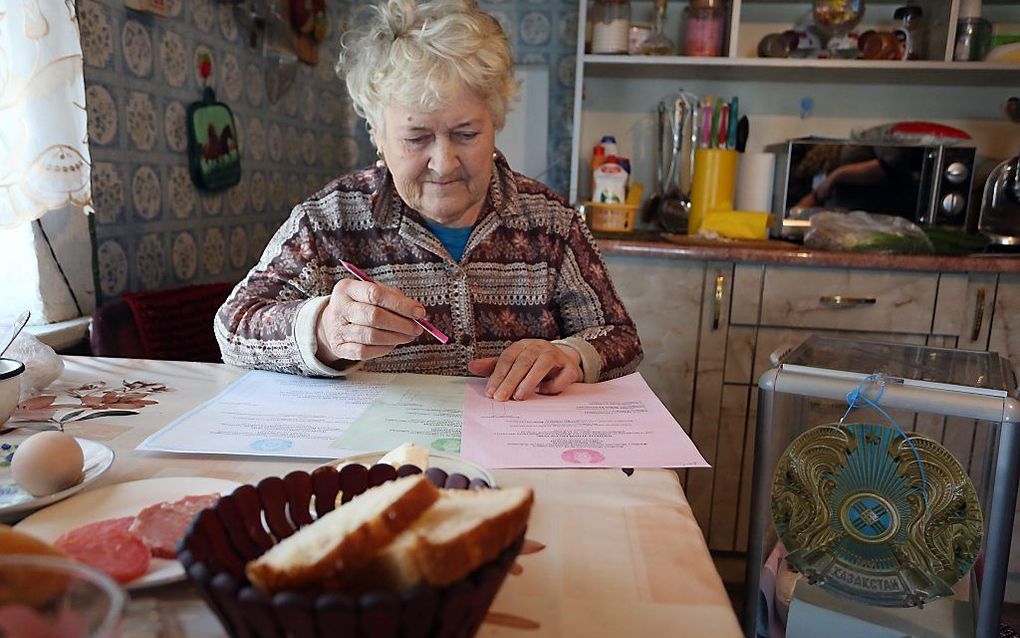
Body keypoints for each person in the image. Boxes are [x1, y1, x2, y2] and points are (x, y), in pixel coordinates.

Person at [215, 0, 642, 401]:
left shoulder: (550, 221)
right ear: (377, 135)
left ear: (495, 122)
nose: (444, 162)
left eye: (466, 134)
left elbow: (620, 337)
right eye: (417, 137)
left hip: (514, 461)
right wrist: (323, 330)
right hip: (379, 458)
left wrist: (569, 353)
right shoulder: (328, 221)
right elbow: (232, 328)